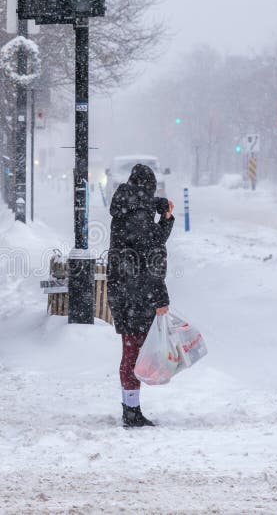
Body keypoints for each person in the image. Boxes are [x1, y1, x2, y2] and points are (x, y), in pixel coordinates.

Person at [106, 164, 175, 428]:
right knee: (133, 352)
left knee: (131, 349)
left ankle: (131, 408)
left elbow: (149, 237)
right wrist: (160, 298)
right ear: (147, 188)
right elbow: (152, 254)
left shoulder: (129, 206)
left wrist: (159, 209)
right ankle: (131, 412)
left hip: (125, 290)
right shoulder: (137, 215)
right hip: (135, 293)